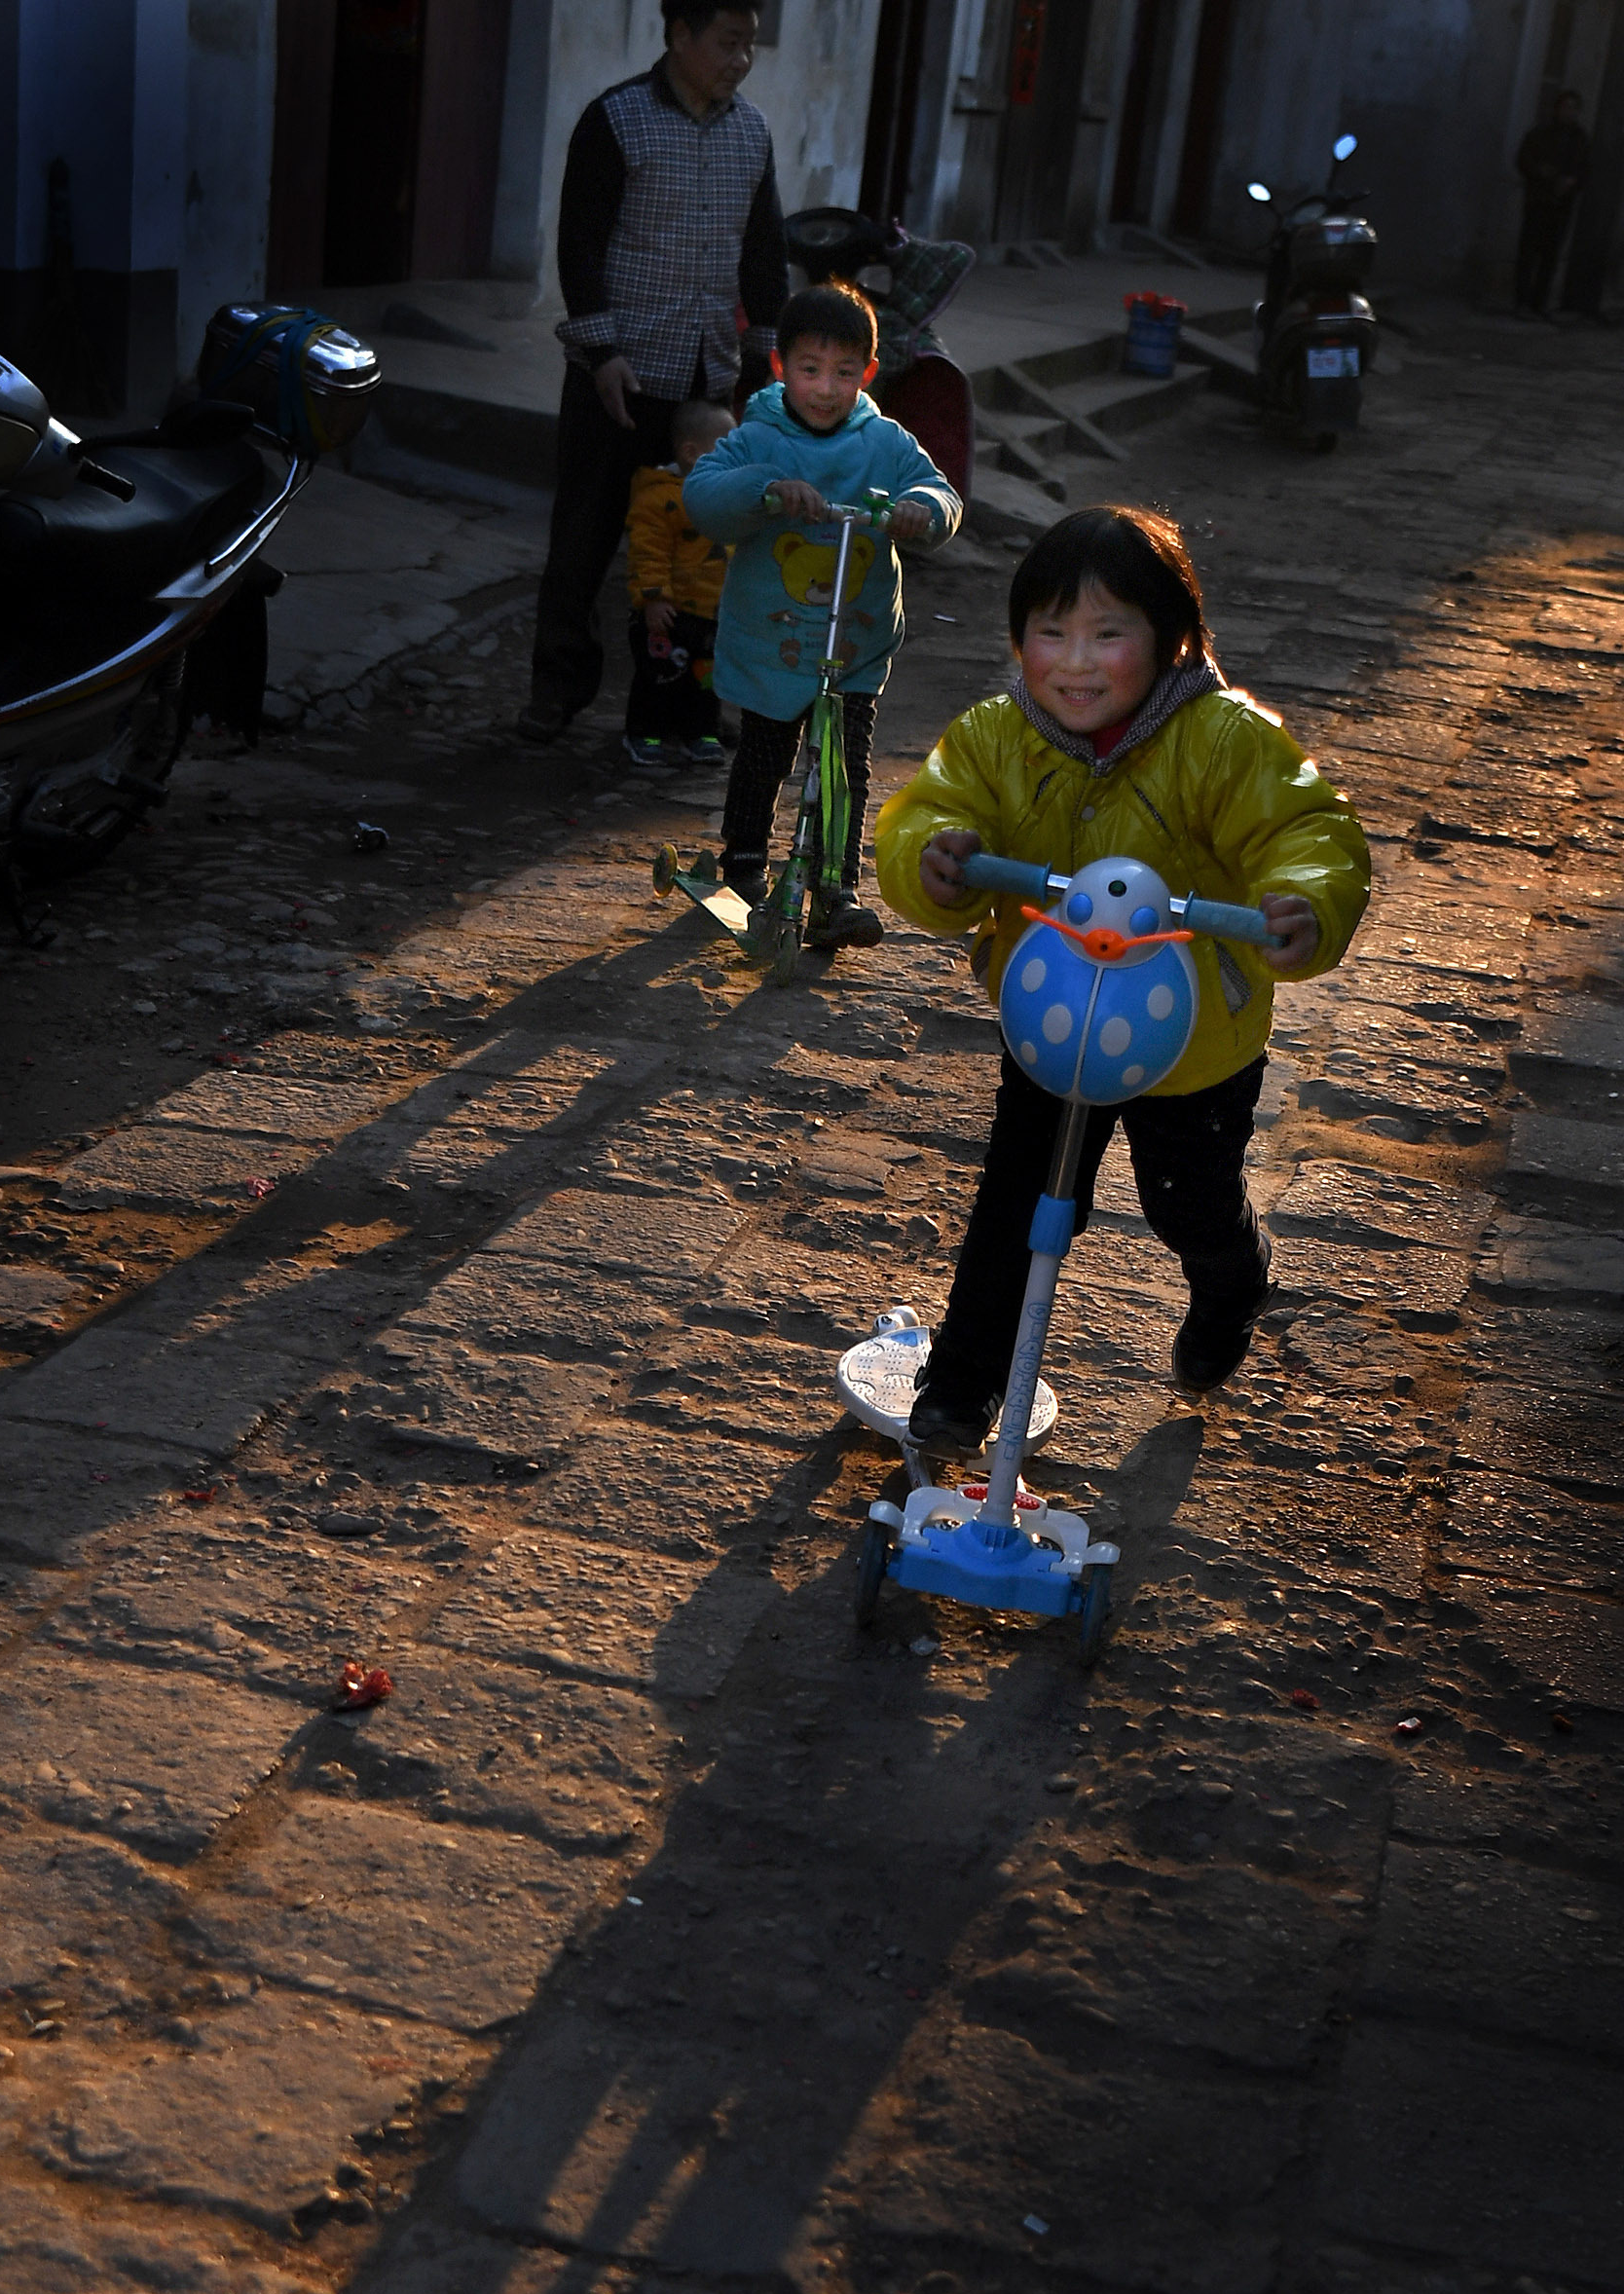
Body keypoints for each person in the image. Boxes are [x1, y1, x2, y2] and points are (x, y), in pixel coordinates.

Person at [876, 503, 1370, 1439]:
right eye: (1049, 632)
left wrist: (1305, 901)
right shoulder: (993, 737)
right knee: (1014, 1204)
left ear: (1173, 640)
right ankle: (963, 1381)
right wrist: (931, 858)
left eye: (1108, 634)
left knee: (1184, 1204)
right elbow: (924, 809)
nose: (1073, 661)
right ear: (1017, 638)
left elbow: (1309, 830)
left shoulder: (1224, 740)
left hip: (1193, 1044)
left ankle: (1230, 1273)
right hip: (1052, 1022)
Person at [518, 3, 785, 747]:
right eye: (726, 43)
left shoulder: (751, 132)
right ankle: (557, 687)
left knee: (704, 550)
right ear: (679, 35)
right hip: (624, 374)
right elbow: (579, 242)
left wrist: (770, 365)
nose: (739, 60)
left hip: (706, 381)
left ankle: (691, 700)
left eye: (748, 46)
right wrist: (601, 352)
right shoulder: (616, 120)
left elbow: (763, 252)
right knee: (586, 534)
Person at [682, 279, 961, 949]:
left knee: (844, 767)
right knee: (765, 754)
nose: (826, 388)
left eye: (843, 373)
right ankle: (744, 865)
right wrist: (767, 491)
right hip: (776, 642)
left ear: (867, 374)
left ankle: (836, 889)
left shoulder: (885, 443)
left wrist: (920, 510)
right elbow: (703, 497)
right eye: (809, 370)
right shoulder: (757, 436)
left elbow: (940, 495)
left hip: (855, 642)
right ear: (780, 368)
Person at [622, 396, 735, 771]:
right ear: (691, 452)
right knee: (659, 676)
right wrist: (652, 599)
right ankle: (644, 732)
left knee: (706, 681)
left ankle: (701, 732)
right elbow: (647, 553)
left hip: (712, 612)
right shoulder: (661, 499)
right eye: (727, 445)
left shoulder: (727, 499)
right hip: (668, 613)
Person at [1515, 89, 1590, 316]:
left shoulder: (1580, 139)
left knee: (1550, 256)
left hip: (1562, 204)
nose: (1569, 112)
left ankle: (1540, 303)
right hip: (1539, 199)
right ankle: (1522, 302)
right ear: (1557, 109)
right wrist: (1543, 173)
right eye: (1566, 107)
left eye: (1574, 108)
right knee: (1529, 253)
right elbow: (1523, 160)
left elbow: (1586, 170)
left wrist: (1572, 182)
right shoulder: (1540, 134)